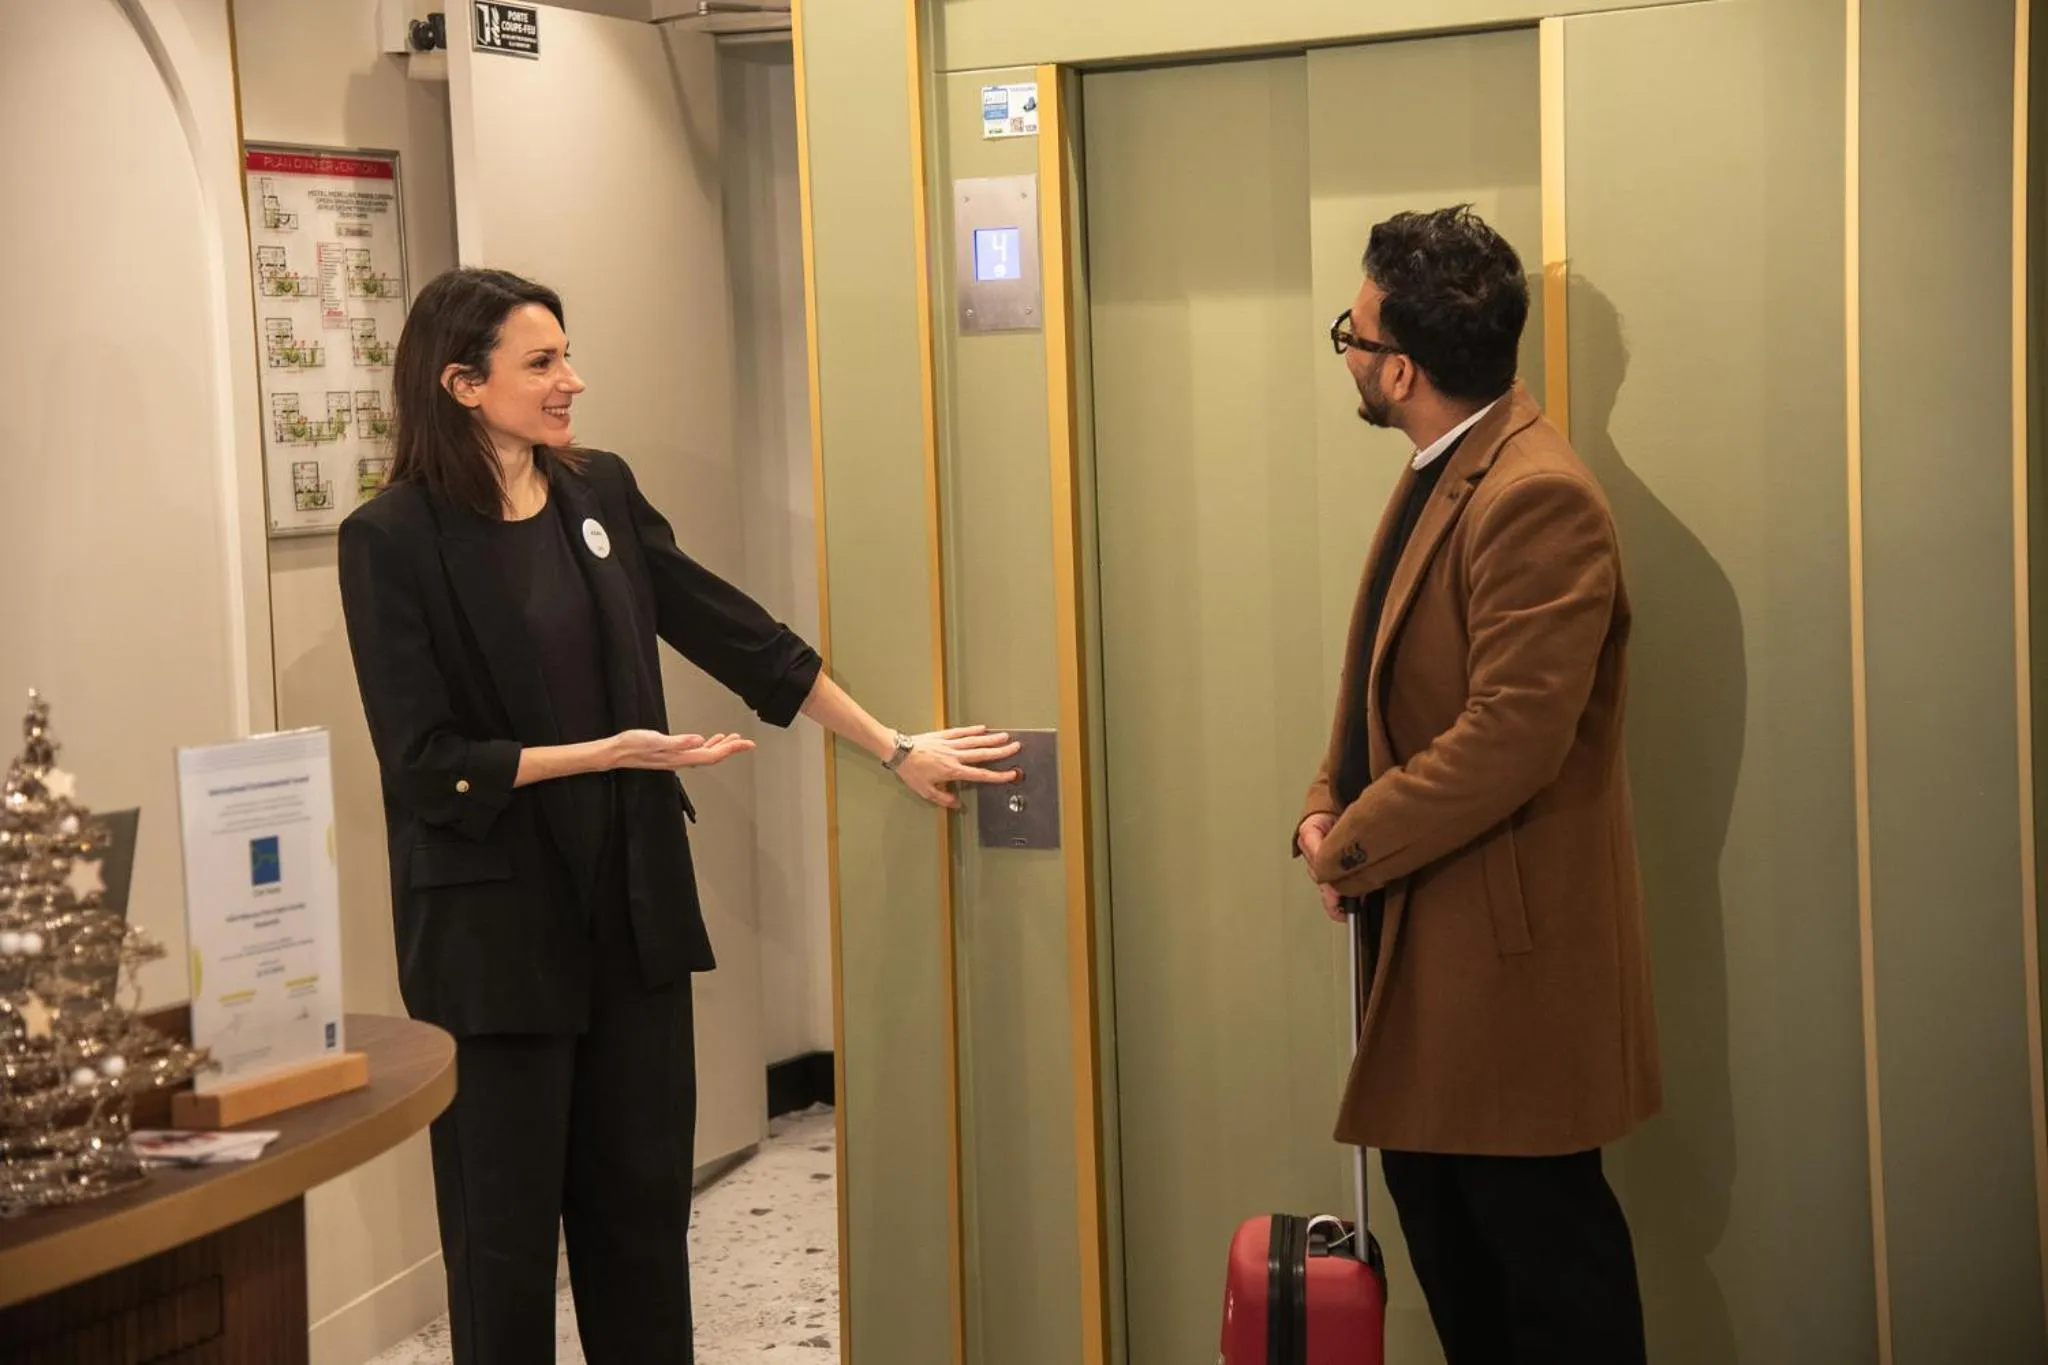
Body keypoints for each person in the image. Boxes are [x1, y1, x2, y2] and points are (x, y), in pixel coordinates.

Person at [337, 267, 1019, 1365]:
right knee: (502, 1249)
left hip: (633, 918)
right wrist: (608, 753)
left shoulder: (597, 491)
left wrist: (892, 746)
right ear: (462, 384)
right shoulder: (391, 538)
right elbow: (425, 767)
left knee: (643, 1232)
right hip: (491, 945)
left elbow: (732, 631)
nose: (572, 380)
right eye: (542, 362)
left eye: (566, 354)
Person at [1294, 207, 1661, 1363]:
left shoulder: (1532, 492)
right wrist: (1321, 799)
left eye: (1352, 335)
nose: (1348, 354)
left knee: (1545, 1285)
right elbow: (1378, 671)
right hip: (1428, 949)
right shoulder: (1448, 466)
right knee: (1459, 1263)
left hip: (1504, 974)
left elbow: (1511, 736)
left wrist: (1349, 843)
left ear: (1399, 369)